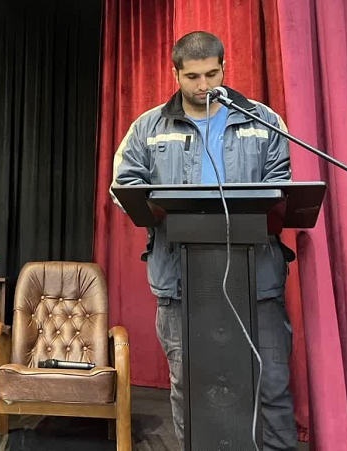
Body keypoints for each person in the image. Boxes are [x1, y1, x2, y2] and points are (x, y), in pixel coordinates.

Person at [110, 31, 297, 450]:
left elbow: (281, 187)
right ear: (175, 74)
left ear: (224, 68)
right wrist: (161, 207)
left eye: (212, 74)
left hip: (256, 280)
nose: (204, 85)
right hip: (181, 283)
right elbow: (124, 187)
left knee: (271, 387)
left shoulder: (263, 121)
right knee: (191, 390)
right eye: (193, 77)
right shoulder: (148, 127)